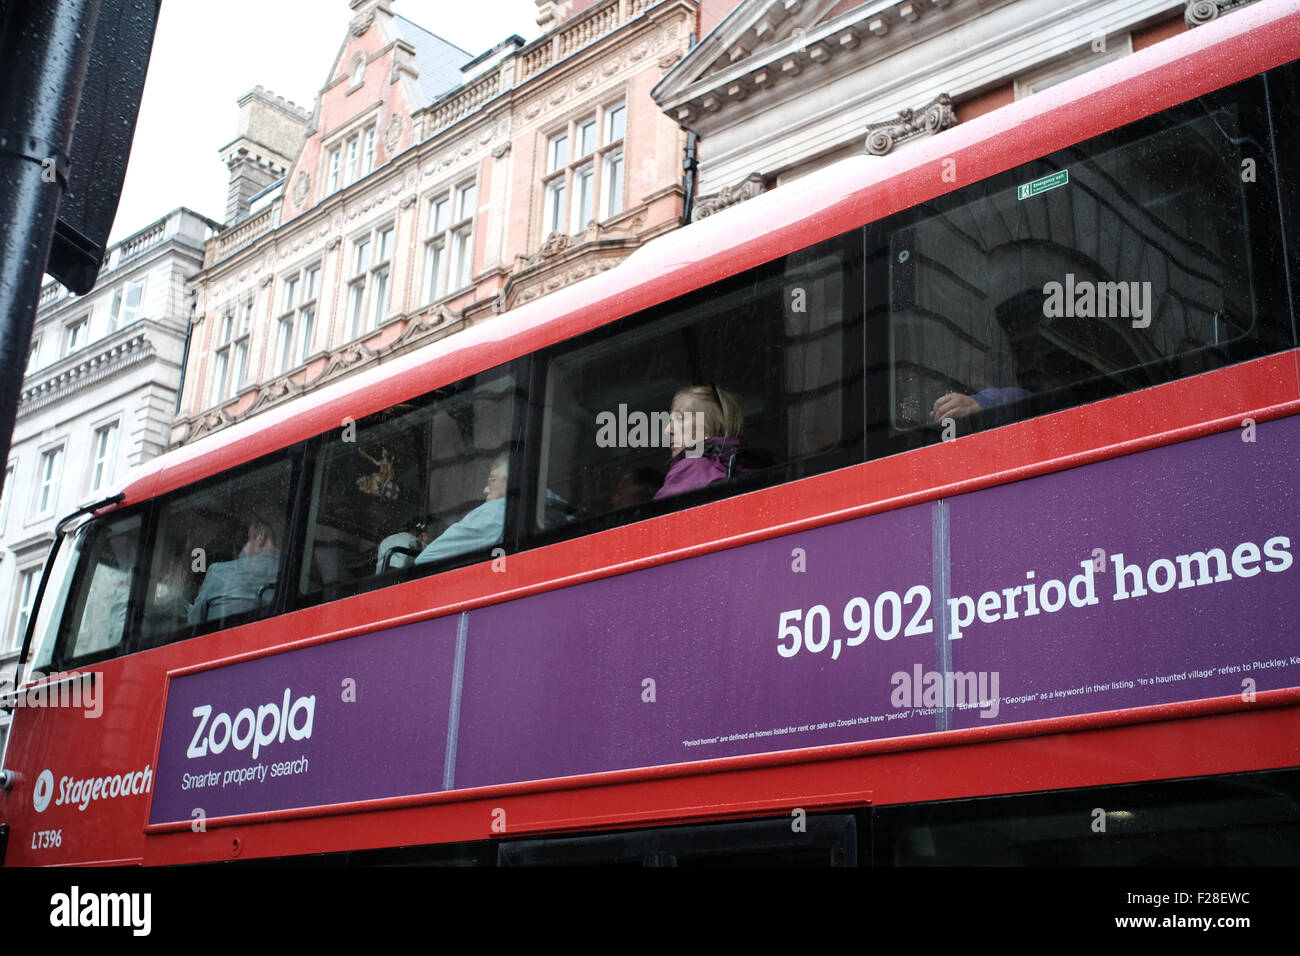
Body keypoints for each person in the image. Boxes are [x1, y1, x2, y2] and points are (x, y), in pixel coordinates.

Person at [653, 385, 746, 500]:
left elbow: (659, 515)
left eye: (679, 419)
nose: (668, 430)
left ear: (711, 426)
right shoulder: (739, 467)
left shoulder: (692, 467)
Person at [414, 453, 508, 565]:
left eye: (492, 480)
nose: (485, 490)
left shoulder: (493, 510)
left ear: (510, 482)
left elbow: (424, 559)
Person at [188, 513, 281, 625]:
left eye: (246, 541)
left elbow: (194, 621)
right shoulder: (290, 574)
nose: (242, 552)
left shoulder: (218, 572)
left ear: (260, 537)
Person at [375, 514, 439, 573]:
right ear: (423, 537)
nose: (436, 544)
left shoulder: (386, 542)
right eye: (436, 539)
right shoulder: (411, 543)